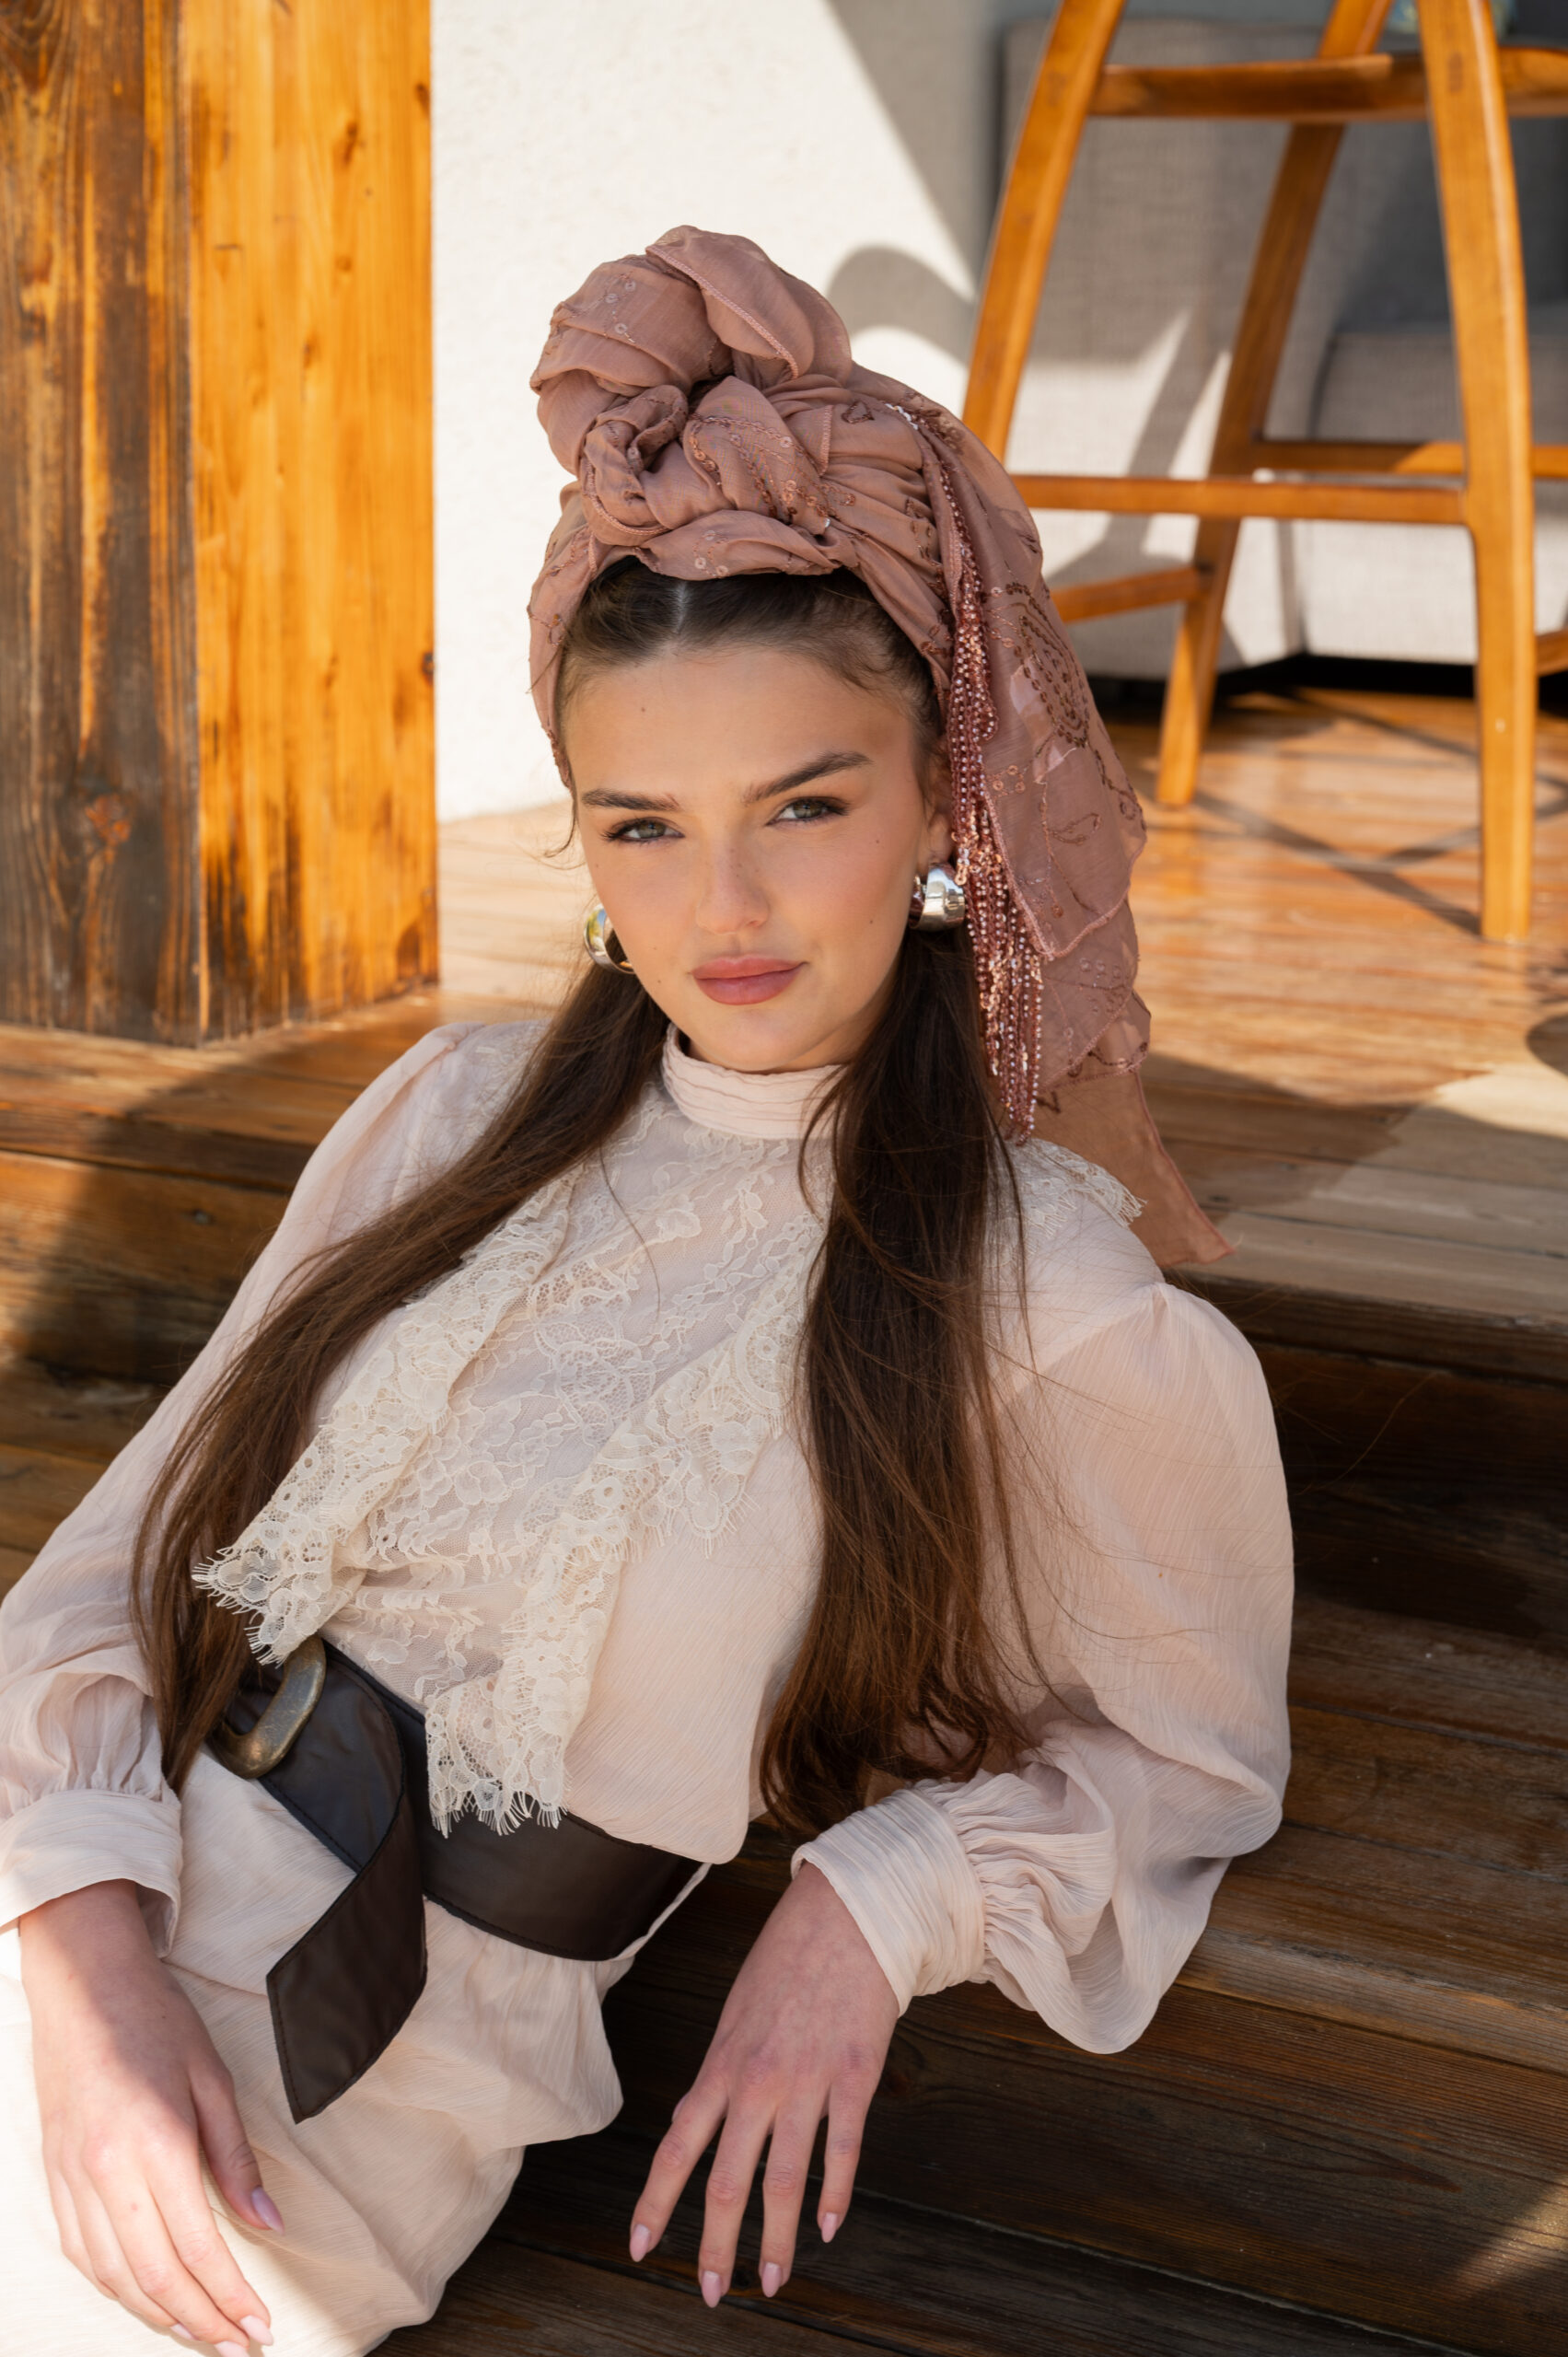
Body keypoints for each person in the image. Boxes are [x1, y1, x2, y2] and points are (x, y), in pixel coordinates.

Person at [0, 228, 1292, 2356]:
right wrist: (80, 1964)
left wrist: (872, 1905)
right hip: (74, 1937)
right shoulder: (452, 1113)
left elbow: (1186, 1753)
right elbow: (111, 1570)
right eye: (644, 826)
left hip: (311, 2138)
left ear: (944, 797)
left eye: (805, 803)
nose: (729, 904)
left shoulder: (1039, 1298)